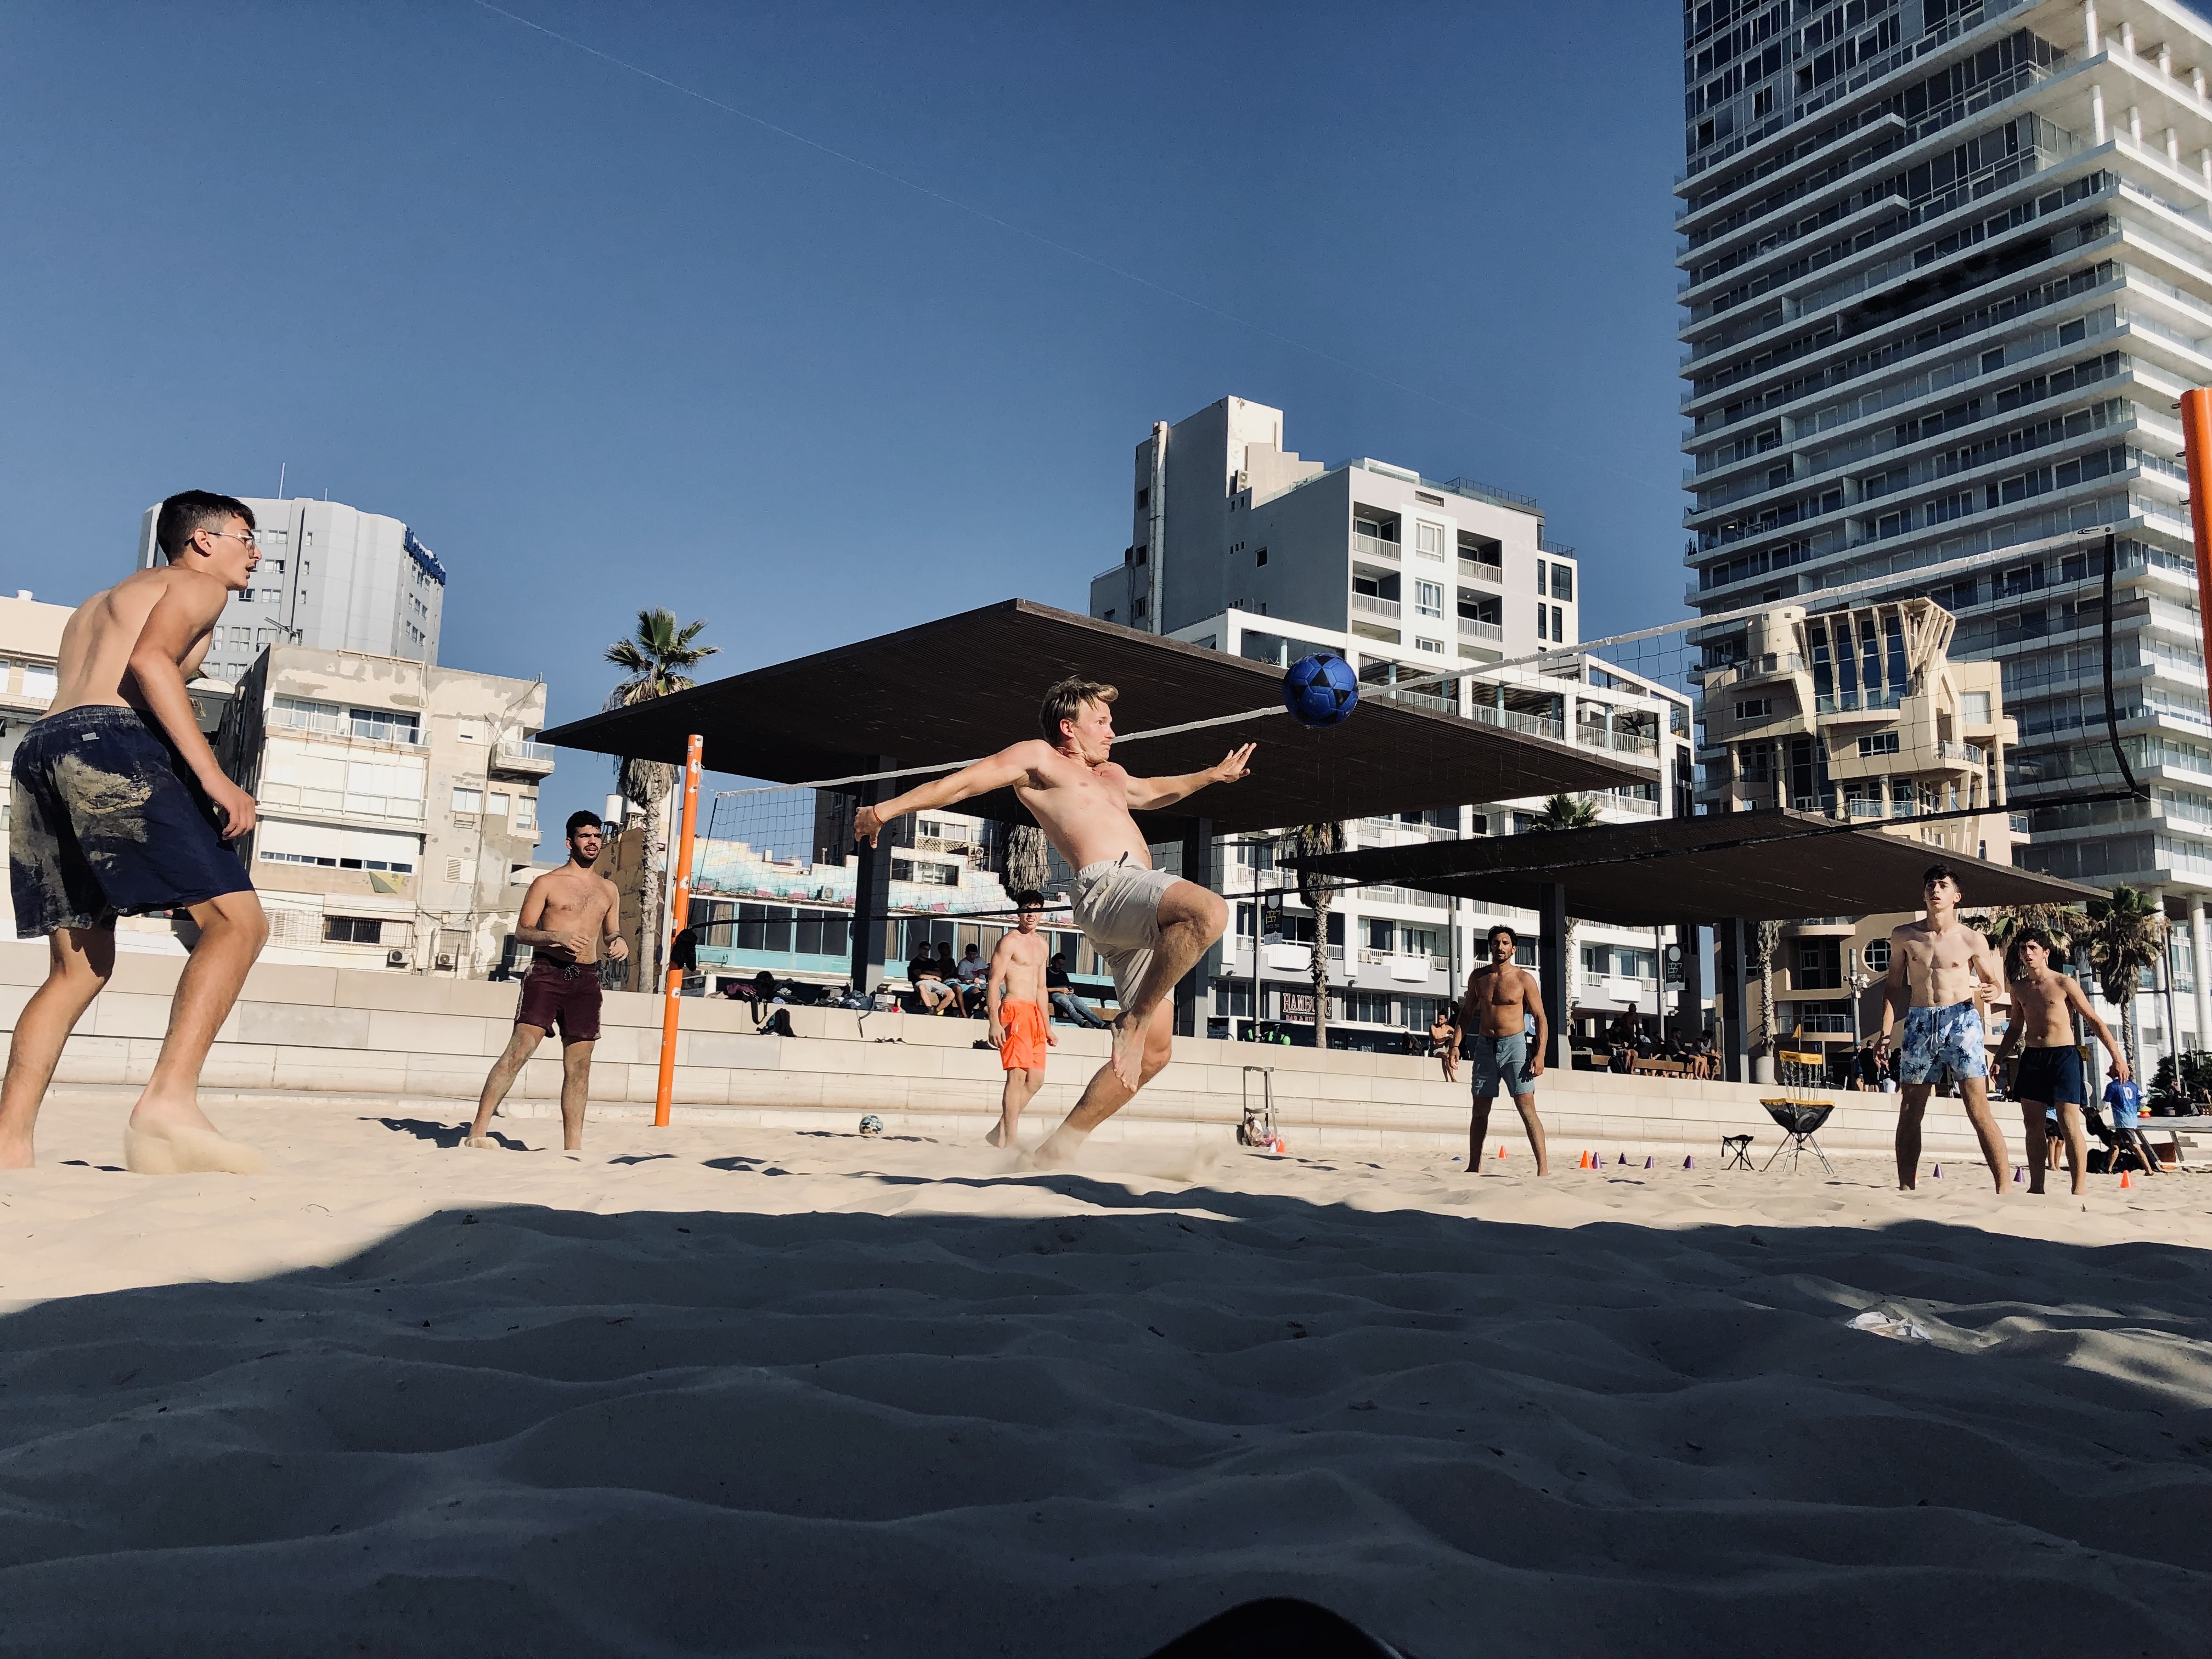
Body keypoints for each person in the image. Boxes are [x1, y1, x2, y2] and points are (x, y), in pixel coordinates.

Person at [854, 676, 1250, 1165]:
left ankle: (1054, 1151)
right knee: (1208, 911)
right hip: (1108, 888)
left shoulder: (1113, 775)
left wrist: (1211, 775)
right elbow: (960, 784)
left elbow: (1152, 793)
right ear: (1069, 728)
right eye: (1101, 722)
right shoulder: (1040, 757)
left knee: (1154, 1055)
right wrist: (884, 809)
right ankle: (1134, 1017)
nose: (1112, 732)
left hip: (1137, 911)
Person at [0, 491, 271, 1173]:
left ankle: (7, 1145)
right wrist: (213, 778)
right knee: (238, 923)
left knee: (77, 968)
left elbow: (127, 668)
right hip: (108, 744)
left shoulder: (100, 603)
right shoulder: (197, 585)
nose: (255, 553)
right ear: (202, 540)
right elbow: (150, 666)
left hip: (41, 750)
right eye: (246, 536)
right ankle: (169, 1099)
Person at [465, 812, 628, 1154]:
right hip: (547, 972)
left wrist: (617, 940)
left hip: (586, 979)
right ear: (570, 842)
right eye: (585, 836)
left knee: (580, 1066)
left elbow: (611, 928)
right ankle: (477, 1131)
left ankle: (574, 1148)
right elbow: (523, 932)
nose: (593, 841)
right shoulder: (547, 883)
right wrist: (557, 937)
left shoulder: (608, 888)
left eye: (597, 836)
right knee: (520, 1050)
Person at [1876, 862, 2009, 1193]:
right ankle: (1907, 1186)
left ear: (1956, 896)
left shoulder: (1971, 938)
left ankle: (2004, 1187)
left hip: (1962, 1019)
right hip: (1921, 1019)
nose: (1935, 890)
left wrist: (1992, 990)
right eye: (1931, 885)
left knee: (1977, 1107)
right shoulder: (1905, 936)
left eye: (1943, 885)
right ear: (1923, 894)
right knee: (1911, 1107)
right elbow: (1894, 987)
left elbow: (1994, 982)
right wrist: (1885, 1032)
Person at [1993, 929, 2127, 1197]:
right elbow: (2015, 1027)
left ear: (2045, 952)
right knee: (2033, 1124)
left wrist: (2117, 1057)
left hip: (2063, 1055)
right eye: (2022, 948)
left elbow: (2093, 1020)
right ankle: (2037, 1186)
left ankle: (2079, 1189)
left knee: (2068, 1123)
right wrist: (1998, 1058)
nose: (2027, 953)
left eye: (2032, 948)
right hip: (2032, 1056)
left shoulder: (2064, 983)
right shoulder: (2018, 988)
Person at [1454, 924, 1550, 1175]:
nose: (1500, 947)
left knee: (1527, 1107)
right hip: (1485, 1046)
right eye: (1496, 943)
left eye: (1505, 943)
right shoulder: (1479, 978)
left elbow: (1540, 1017)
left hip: (1515, 1046)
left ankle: (1543, 1169)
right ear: (1490, 946)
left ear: (1513, 948)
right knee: (1479, 1110)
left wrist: (1540, 1054)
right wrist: (1456, 1044)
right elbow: (1466, 1013)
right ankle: (1474, 1166)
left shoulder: (1523, 979)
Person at [985, 891, 1057, 1147]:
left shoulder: (1043, 945)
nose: (1031, 914)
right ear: (1019, 912)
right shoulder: (1009, 942)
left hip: (1034, 1015)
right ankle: (1010, 1140)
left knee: (1036, 1080)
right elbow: (994, 982)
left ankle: (999, 1131)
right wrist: (994, 1021)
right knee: (1016, 1077)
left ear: (1042, 913)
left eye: (1036, 909)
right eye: (1027, 908)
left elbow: (1041, 988)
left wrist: (1047, 1026)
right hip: (1013, 1008)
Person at [2104, 1062, 2162, 1175]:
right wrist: (2135, 1109)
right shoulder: (2133, 1086)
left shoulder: (2112, 1086)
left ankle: (2149, 1170)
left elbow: (2105, 1102)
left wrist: (2099, 1111)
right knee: (2115, 1144)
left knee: (2134, 1145)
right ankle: (2109, 1169)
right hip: (2131, 1118)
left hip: (2122, 1120)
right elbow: (2143, 1101)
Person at [1047, 951, 1108, 1029]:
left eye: (1062, 965)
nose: (1060, 966)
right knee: (1069, 1006)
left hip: (1068, 994)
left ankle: (1102, 1025)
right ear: (1053, 961)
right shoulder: (1046, 972)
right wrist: (1059, 990)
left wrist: (1071, 990)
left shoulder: (1063, 974)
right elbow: (1042, 989)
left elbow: (1068, 986)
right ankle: (1083, 1023)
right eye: (1059, 964)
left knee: (1084, 1008)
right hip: (1056, 994)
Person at [908, 941, 959, 1014]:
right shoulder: (915, 962)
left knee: (951, 994)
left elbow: (939, 973)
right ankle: (930, 1008)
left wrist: (926, 972)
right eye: (924, 949)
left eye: (928, 950)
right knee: (922, 987)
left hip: (935, 982)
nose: (926, 952)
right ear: (919, 949)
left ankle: (936, 1011)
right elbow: (921, 976)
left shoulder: (931, 961)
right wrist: (934, 976)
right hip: (922, 982)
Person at [955, 941, 990, 1015]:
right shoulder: (963, 964)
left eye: (974, 954)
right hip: (970, 985)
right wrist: (971, 981)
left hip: (983, 984)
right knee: (977, 993)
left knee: (991, 993)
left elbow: (989, 971)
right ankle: (967, 1010)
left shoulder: (980, 960)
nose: (972, 957)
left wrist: (982, 972)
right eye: (969, 954)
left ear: (977, 953)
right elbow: (961, 978)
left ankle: (984, 1008)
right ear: (966, 953)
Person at [1428, 1007, 1459, 1083]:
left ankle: (1454, 1060)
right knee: (1447, 1057)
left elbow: (1457, 1033)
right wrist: (1447, 1038)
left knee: (1449, 1055)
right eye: (1438, 1019)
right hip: (1436, 1050)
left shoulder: (1448, 1028)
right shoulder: (1433, 1027)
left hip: (1445, 1048)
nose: (1439, 1021)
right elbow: (1436, 1041)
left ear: (1446, 1020)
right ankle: (1453, 1078)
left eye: (1441, 1019)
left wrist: (1454, 1037)